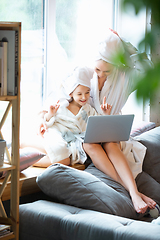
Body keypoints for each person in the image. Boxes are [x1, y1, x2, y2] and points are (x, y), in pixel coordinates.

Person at [41, 66, 156, 214]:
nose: (84, 97)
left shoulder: (88, 109)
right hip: (78, 143)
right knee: (90, 145)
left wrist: (106, 115)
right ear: (70, 93)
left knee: (106, 143)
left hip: (92, 139)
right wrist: (49, 115)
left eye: (87, 93)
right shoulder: (61, 108)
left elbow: (98, 125)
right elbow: (49, 123)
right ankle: (135, 194)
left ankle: (134, 192)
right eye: (79, 94)